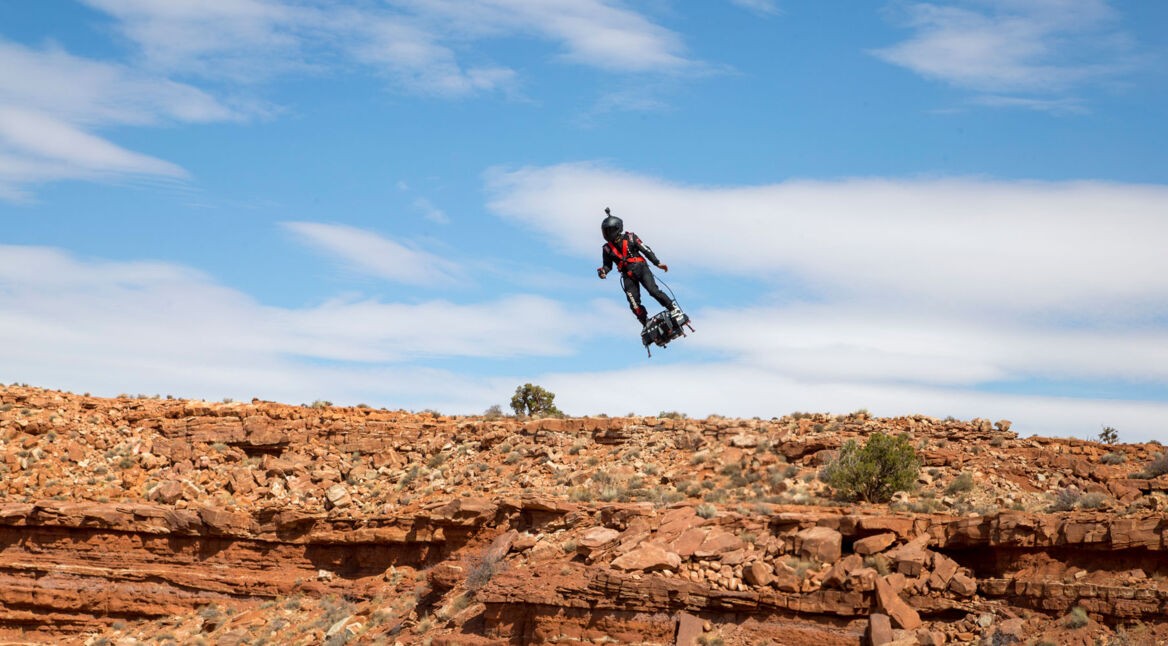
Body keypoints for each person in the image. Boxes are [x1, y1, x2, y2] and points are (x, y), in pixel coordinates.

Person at [596, 208, 677, 327]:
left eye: (609, 230)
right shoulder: (606, 248)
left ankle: (672, 308)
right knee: (633, 303)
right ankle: (646, 322)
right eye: (605, 231)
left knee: (653, 291)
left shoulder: (631, 238)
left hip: (641, 269)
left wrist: (657, 263)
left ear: (617, 229)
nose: (607, 234)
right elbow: (608, 266)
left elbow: (646, 250)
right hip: (627, 275)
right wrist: (603, 271)